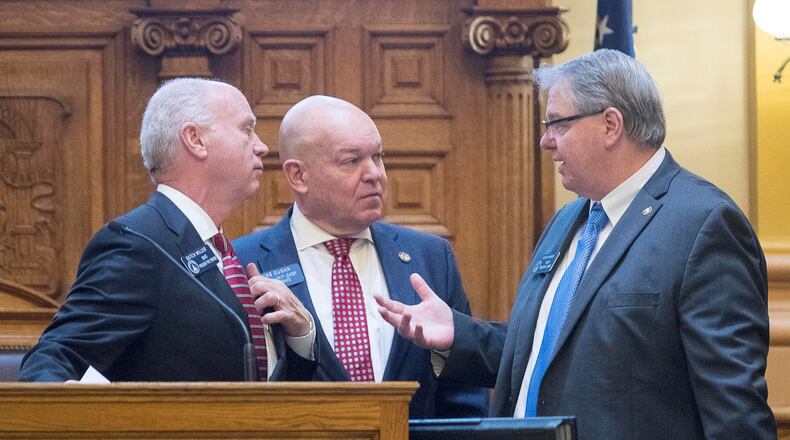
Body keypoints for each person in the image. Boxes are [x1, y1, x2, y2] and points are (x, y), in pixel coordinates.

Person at [377, 49, 776, 439]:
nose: (545, 141)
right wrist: (458, 336)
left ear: (610, 125)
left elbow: (733, 403)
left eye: (558, 124)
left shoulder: (703, 223)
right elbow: (549, 358)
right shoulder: (569, 220)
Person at [19, 78, 316, 382]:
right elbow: (56, 358)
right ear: (195, 139)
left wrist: (300, 335)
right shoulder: (136, 244)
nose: (262, 147)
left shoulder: (222, 251)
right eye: (245, 129)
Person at [233, 95, 488, 418]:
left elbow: (464, 397)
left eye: (377, 157)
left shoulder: (431, 256)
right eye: (351, 161)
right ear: (298, 176)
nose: (375, 174)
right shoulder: (243, 263)